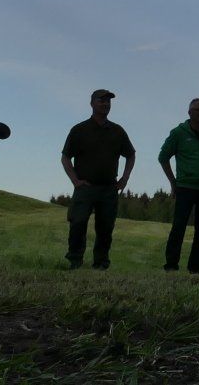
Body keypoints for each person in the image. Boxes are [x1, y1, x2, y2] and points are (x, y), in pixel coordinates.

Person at [60, 88, 134, 270]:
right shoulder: (79, 130)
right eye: (101, 100)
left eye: (108, 101)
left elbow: (131, 154)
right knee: (77, 223)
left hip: (109, 188)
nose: (105, 104)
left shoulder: (117, 131)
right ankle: (75, 261)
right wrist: (75, 181)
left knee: (105, 228)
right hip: (85, 187)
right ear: (92, 103)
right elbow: (65, 157)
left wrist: (124, 178)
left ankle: (101, 263)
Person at [158, 97, 199, 273]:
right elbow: (163, 157)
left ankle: (195, 269)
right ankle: (171, 265)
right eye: (198, 110)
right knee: (178, 227)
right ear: (190, 113)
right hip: (185, 187)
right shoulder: (178, 132)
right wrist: (173, 182)